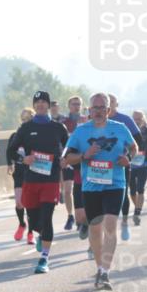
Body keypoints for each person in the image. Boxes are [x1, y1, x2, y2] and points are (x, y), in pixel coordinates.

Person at [64, 92, 138, 290]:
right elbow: (66, 159)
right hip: (91, 186)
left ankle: (105, 272)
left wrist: (127, 159)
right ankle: (99, 267)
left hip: (115, 183)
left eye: (101, 108)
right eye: (94, 108)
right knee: (95, 229)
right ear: (89, 110)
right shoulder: (80, 132)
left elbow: (134, 147)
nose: (98, 111)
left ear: (108, 110)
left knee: (111, 225)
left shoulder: (120, 129)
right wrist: (84, 155)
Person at [12, 91, 69, 274]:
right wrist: (24, 159)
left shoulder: (58, 128)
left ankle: (44, 258)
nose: (41, 105)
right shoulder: (26, 128)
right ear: (34, 106)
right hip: (31, 180)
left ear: (49, 105)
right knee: (35, 221)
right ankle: (40, 234)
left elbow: (69, 148)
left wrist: (65, 159)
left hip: (51, 180)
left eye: (44, 102)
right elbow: (11, 151)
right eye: (37, 102)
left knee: (47, 217)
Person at [108, 94, 143, 241]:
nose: (109, 104)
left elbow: (138, 139)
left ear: (116, 104)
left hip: (120, 164)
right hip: (99, 166)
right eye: (106, 102)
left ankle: (124, 222)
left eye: (112, 102)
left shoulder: (125, 120)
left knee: (123, 192)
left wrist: (127, 157)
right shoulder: (95, 119)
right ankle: (97, 233)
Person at [6, 108, 36, 244]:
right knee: (19, 203)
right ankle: (21, 224)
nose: (25, 122)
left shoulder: (36, 135)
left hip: (32, 172)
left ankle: (31, 232)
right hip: (19, 172)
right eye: (23, 120)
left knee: (30, 204)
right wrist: (9, 164)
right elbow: (9, 151)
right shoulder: (15, 135)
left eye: (28, 119)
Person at [59, 97, 87, 232]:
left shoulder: (87, 121)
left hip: (83, 160)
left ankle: (83, 216)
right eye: (74, 104)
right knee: (68, 190)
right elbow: (60, 142)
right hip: (69, 159)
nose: (76, 106)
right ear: (69, 106)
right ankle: (70, 216)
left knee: (83, 188)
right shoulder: (63, 122)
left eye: (79, 104)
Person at [130, 110, 147, 225]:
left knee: (140, 189)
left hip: (143, 164)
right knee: (132, 191)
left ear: (143, 119)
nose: (137, 121)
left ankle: (137, 212)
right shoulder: (128, 130)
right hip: (130, 165)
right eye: (135, 119)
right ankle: (137, 207)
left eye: (139, 118)